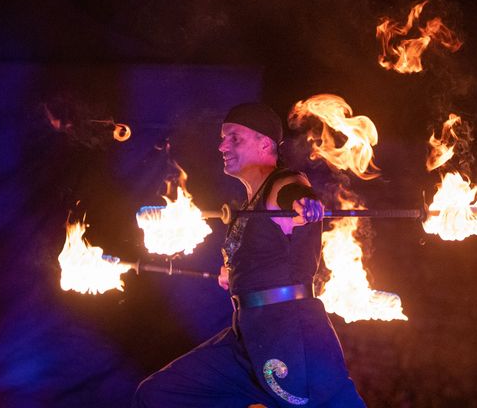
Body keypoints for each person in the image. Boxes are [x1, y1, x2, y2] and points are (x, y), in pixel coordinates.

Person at [132, 103, 366, 407]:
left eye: (233, 138)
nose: (222, 146)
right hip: (247, 336)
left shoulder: (283, 183)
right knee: (159, 394)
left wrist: (305, 206)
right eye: (222, 138)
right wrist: (235, 273)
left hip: (291, 334)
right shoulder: (247, 205)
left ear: (264, 143)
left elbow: (296, 196)